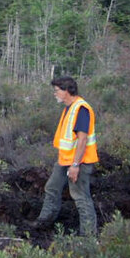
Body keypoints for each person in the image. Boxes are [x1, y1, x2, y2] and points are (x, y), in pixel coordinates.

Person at [29, 76, 98, 236]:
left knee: (81, 197)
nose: (55, 94)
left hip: (79, 162)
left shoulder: (81, 109)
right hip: (64, 160)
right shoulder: (69, 107)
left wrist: (75, 165)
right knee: (52, 188)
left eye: (57, 90)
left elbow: (82, 140)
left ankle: (88, 238)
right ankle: (43, 224)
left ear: (67, 91)